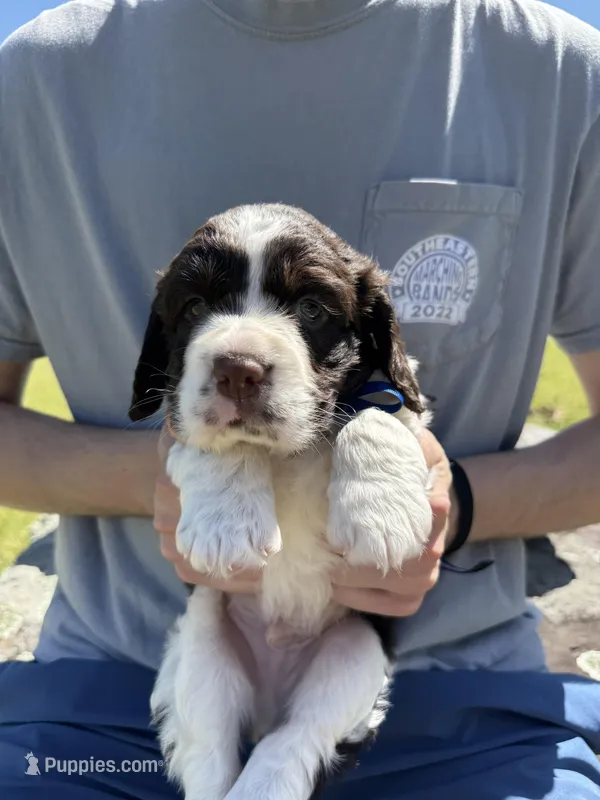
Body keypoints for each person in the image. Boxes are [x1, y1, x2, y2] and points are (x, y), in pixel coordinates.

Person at [0, 0, 599, 797]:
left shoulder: (560, 71)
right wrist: (178, 470)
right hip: (108, 694)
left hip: (467, 699)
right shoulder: (32, 78)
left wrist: (451, 497)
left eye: (307, 309)